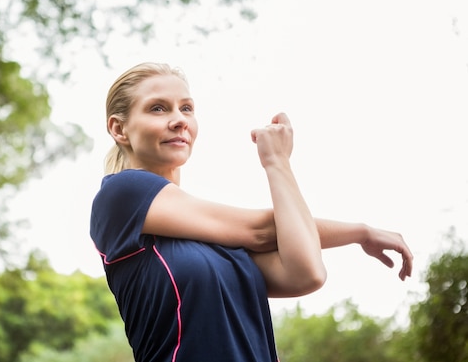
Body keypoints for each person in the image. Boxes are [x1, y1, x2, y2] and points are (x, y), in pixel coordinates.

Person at [90, 62, 413, 362]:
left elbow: (306, 272)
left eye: (186, 108)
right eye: (158, 108)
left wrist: (360, 232)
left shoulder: (221, 247)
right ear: (119, 129)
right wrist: (276, 162)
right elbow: (259, 229)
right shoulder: (122, 194)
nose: (180, 119)